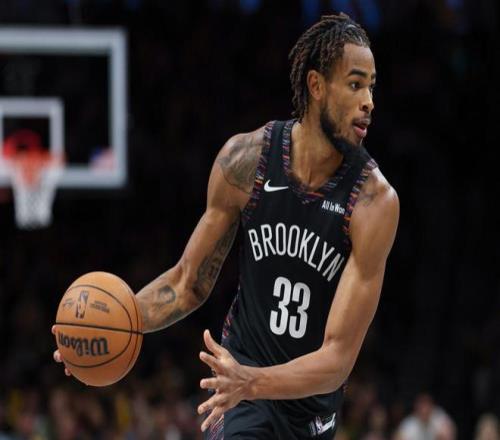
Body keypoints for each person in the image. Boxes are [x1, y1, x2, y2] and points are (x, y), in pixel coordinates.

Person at [53, 12, 399, 439]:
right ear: (316, 85)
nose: (369, 101)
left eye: (371, 86)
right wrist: (102, 330)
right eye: (355, 84)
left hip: (309, 408)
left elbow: (337, 359)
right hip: (241, 394)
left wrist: (252, 381)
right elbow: (188, 283)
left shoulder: (373, 202)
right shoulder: (247, 160)